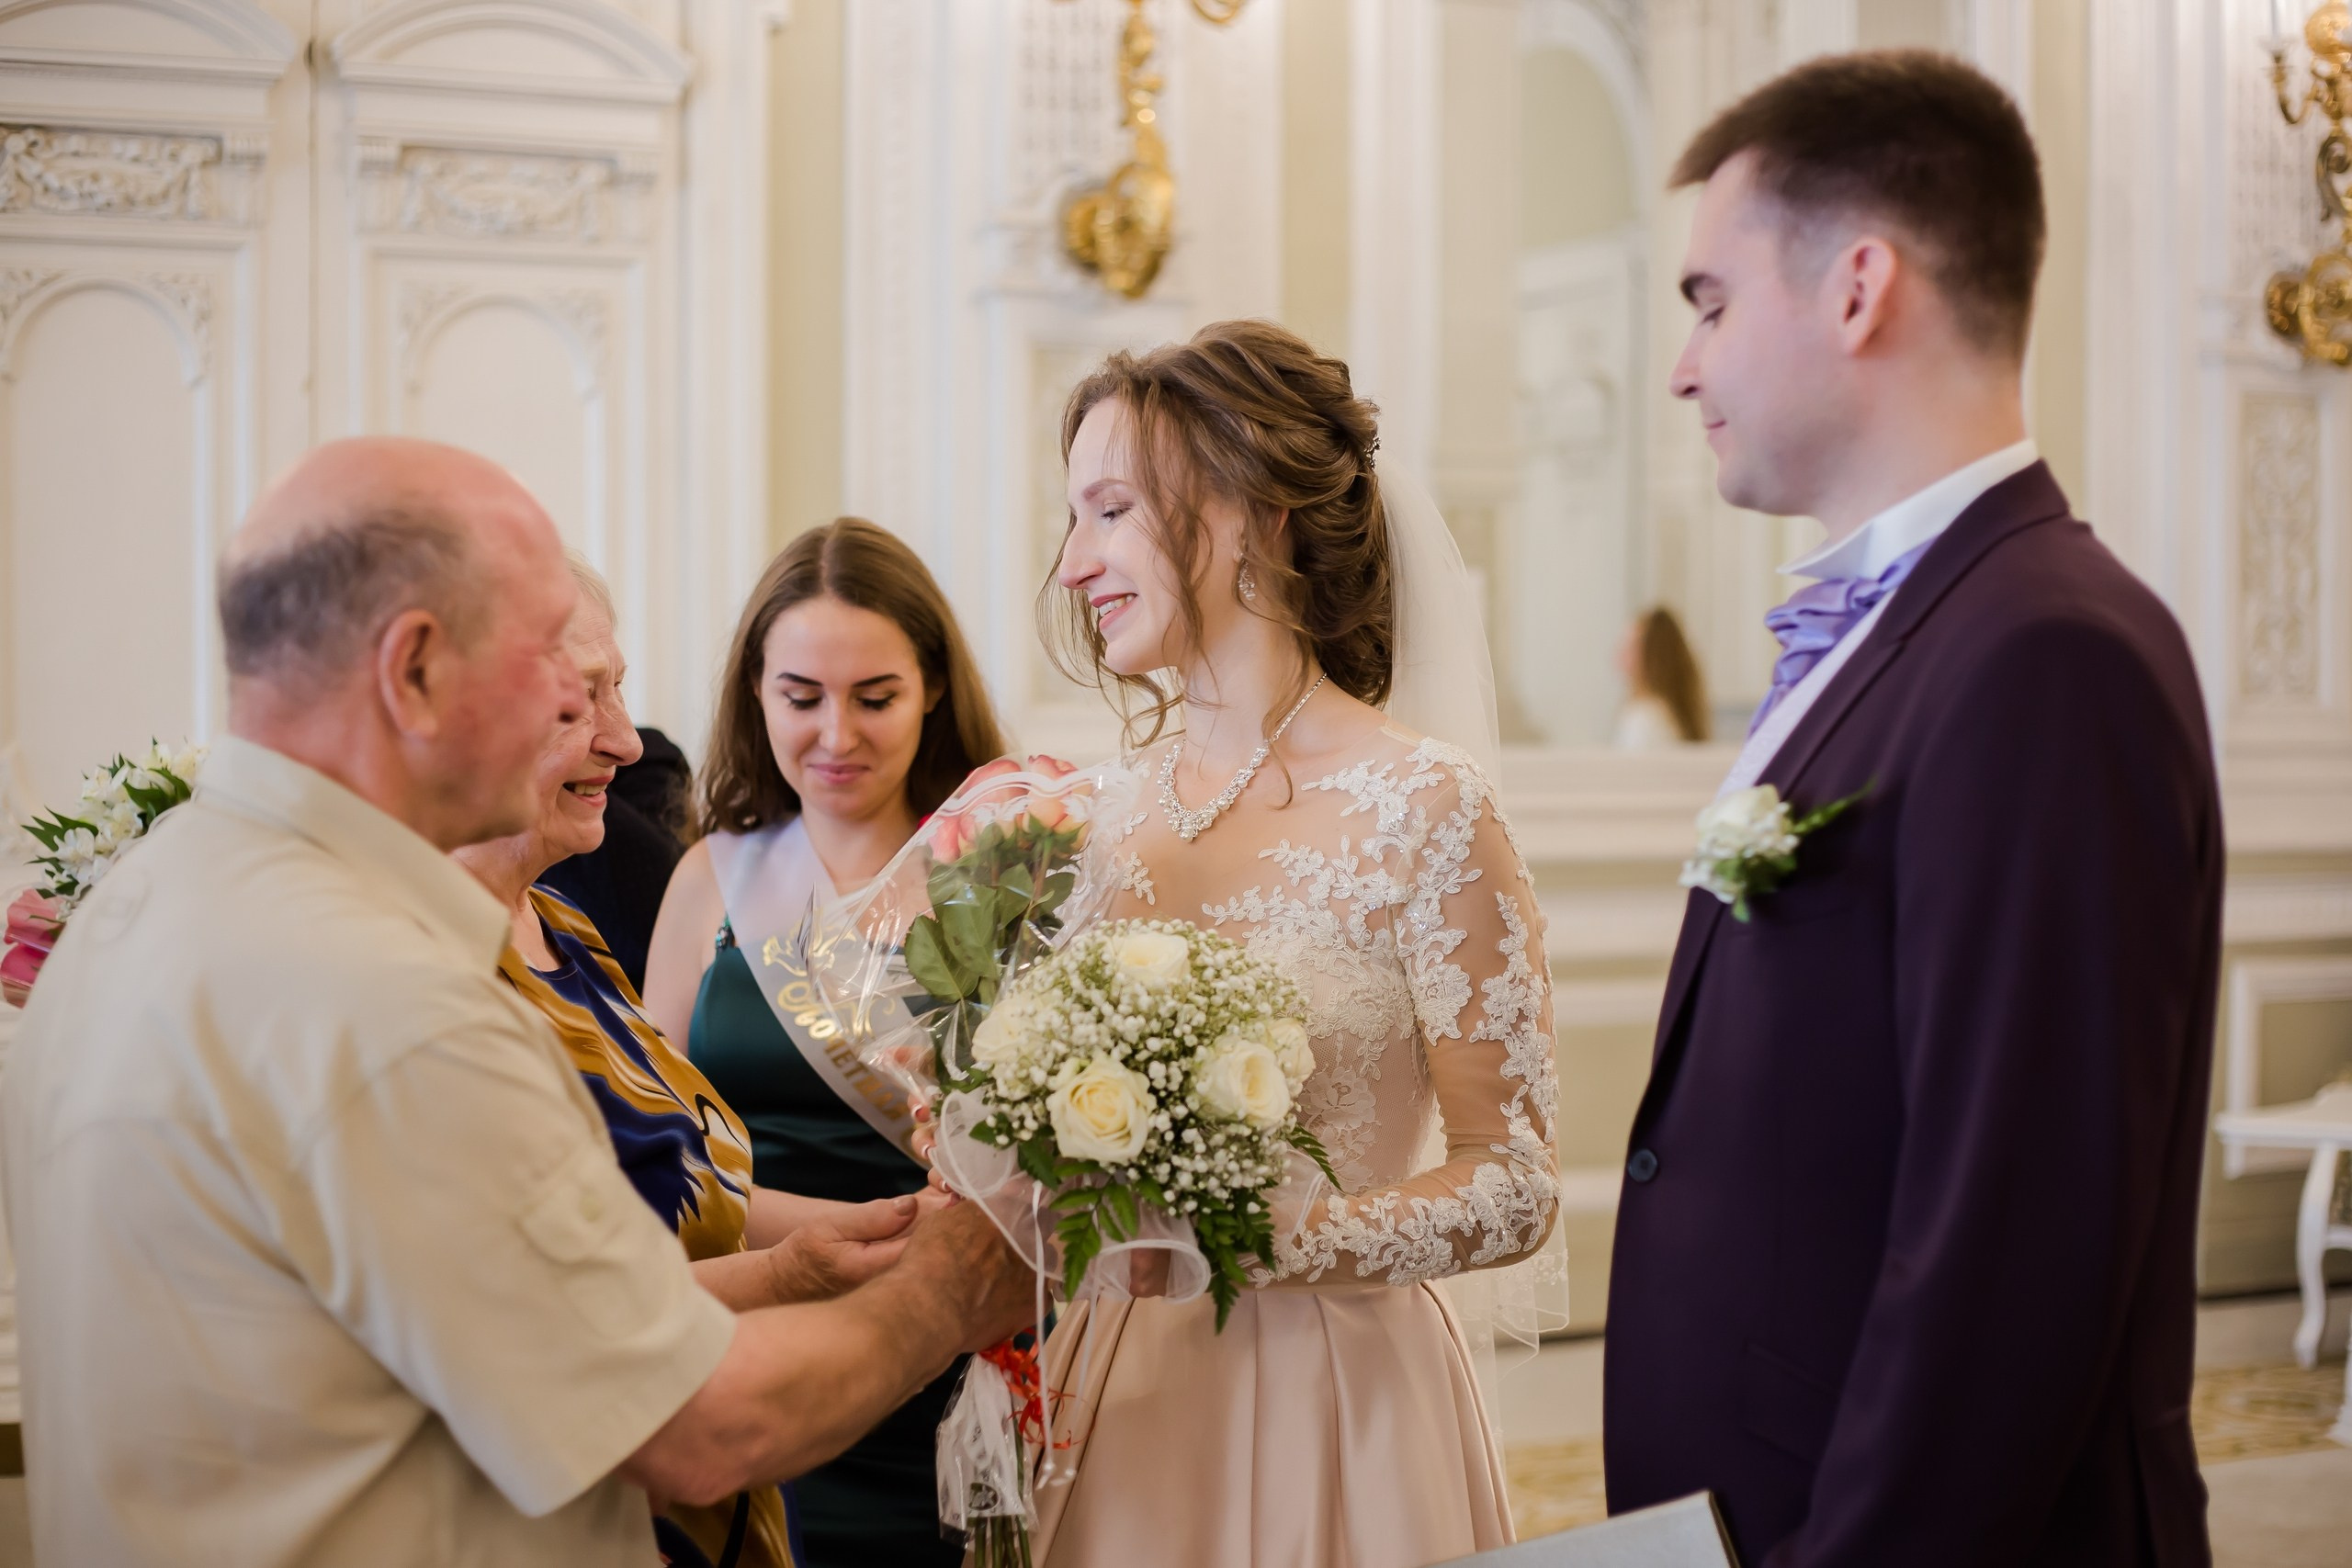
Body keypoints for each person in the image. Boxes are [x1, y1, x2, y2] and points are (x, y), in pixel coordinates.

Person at [0, 437, 1036, 1567]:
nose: (622, 738)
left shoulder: (144, 895)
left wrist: (792, 1269)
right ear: (416, 671)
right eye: (555, 664)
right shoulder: (384, 1000)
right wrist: (954, 1287)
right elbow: (701, 1429)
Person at [1603, 53, 2220, 1567]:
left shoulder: (2046, 653)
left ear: (1859, 286)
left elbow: (2013, 1255)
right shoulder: (1915, 628)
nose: (1684, 369)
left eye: (1708, 302)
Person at [1028, 320, 1561, 1568]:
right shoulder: (1095, 814)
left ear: (1258, 514)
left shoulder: (1425, 807)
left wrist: (1261, 1240)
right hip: (1115, 1381)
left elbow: (1518, 1178)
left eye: (1107, 511)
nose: (1070, 564)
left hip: (1340, 1393)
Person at [454, 554, 910, 1568]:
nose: (628, 740)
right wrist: (797, 1277)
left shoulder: (569, 928)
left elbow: (696, 1180)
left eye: (617, 691)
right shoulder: (425, 987)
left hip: (741, 1466)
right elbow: (547, 1332)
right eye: (585, 701)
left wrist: (876, 1236)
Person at [645, 517, 1010, 1567]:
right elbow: (654, 1148)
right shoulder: (713, 876)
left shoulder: (1005, 867)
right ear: (754, 692)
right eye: (800, 697)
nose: (836, 735)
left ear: (934, 687)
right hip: (751, 1336)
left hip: (947, 1346)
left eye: (875, 697)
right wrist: (811, 1246)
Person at [1612, 606, 1710, 748]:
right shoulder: (1671, 714)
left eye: (1630, 646)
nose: (1619, 654)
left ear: (1653, 655)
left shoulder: (1645, 719)